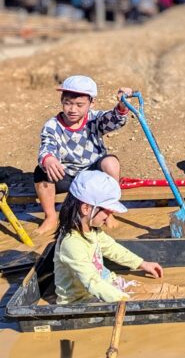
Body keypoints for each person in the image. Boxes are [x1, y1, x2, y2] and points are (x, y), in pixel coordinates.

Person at [34, 75, 133, 235]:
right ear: (62, 100)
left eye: (80, 105)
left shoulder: (94, 119)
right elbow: (47, 146)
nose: (73, 109)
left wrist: (122, 105)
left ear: (91, 103)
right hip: (67, 176)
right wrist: (49, 158)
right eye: (68, 103)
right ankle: (51, 216)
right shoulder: (52, 125)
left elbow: (114, 120)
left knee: (111, 162)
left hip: (93, 175)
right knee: (41, 171)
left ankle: (107, 211)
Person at [54, 170, 163, 304]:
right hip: (81, 300)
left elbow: (112, 248)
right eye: (107, 211)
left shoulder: (92, 230)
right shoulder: (71, 244)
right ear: (86, 209)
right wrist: (123, 301)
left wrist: (141, 263)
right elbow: (92, 282)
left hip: (103, 284)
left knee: (156, 292)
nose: (109, 217)